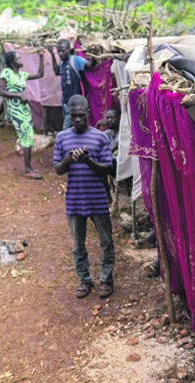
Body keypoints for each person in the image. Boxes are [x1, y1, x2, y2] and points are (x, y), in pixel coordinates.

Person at [53, 95, 115, 299]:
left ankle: (106, 280)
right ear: (68, 115)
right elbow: (58, 170)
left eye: (81, 115)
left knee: (106, 241)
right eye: (73, 116)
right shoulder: (62, 137)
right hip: (74, 201)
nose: (77, 120)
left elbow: (107, 169)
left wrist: (88, 162)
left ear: (88, 113)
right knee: (78, 245)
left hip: (97, 199)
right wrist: (69, 159)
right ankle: (85, 280)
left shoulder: (100, 137)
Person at [0, 49, 47, 179]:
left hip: (24, 109)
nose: (20, 60)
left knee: (28, 136)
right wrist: (18, 95)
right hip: (15, 109)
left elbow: (40, 74)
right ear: (11, 62)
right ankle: (27, 168)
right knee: (27, 135)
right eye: (18, 59)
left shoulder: (22, 75)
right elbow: (0, 91)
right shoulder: (6, 72)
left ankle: (28, 167)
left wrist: (41, 56)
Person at [47, 39, 98, 130]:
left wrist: (94, 54)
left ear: (69, 49)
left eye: (63, 50)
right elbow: (56, 71)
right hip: (65, 101)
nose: (61, 53)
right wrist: (52, 54)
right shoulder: (62, 63)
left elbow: (90, 66)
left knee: (66, 128)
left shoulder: (75, 60)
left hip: (77, 102)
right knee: (73, 128)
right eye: (59, 51)